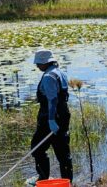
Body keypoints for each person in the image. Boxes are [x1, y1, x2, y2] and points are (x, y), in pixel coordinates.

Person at [31, 49, 73, 182]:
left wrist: (50, 120)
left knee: (37, 149)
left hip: (50, 117)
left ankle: (43, 179)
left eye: (38, 63)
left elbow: (52, 99)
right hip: (63, 114)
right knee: (63, 152)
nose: (37, 66)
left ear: (46, 63)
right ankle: (68, 182)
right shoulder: (60, 73)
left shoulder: (49, 76)